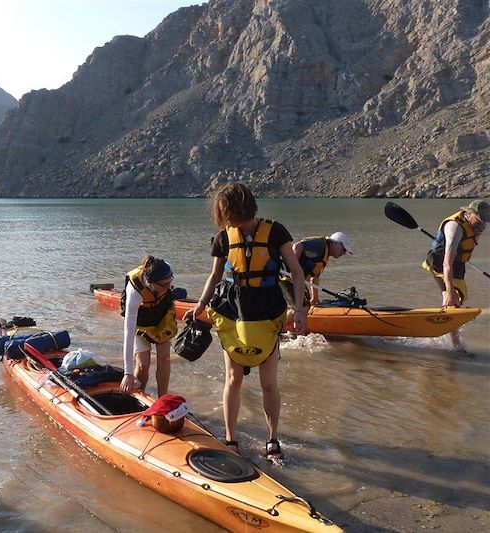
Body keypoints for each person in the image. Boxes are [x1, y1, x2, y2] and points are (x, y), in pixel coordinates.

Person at [185, 182, 307, 461]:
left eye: (228, 212)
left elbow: (297, 273)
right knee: (233, 378)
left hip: (267, 311)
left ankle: (272, 439)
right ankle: (231, 438)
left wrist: (298, 310)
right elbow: (215, 276)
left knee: (268, 383)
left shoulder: (276, 232)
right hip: (233, 311)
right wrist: (200, 305)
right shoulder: (223, 237)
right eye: (223, 214)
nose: (227, 219)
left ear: (242, 208)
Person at [421, 199, 488, 348]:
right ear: (470, 214)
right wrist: (450, 291)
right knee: (453, 300)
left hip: (458, 265)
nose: (483, 225)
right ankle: (456, 346)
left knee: (458, 299)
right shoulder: (454, 227)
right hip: (440, 264)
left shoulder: (476, 226)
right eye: (480, 220)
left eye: (485, 221)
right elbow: (447, 263)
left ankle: (433, 339)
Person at [119, 256, 177, 398]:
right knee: (143, 363)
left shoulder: (166, 269)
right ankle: (140, 396)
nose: (168, 287)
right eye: (164, 285)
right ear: (150, 284)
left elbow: (167, 286)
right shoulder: (135, 291)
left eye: (170, 282)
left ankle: (162, 399)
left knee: (164, 357)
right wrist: (128, 373)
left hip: (162, 314)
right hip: (142, 318)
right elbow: (128, 333)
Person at [281, 232, 353, 324]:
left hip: (298, 282)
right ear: (335, 243)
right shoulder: (320, 245)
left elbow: (314, 278)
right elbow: (297, 246)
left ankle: (289, 331)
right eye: (343, 250)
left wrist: (315, 298)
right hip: (287, 277)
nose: (343, 254)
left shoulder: (324, 255)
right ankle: (283, 330)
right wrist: (294, 270)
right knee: (302, 307)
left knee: (305, 306)